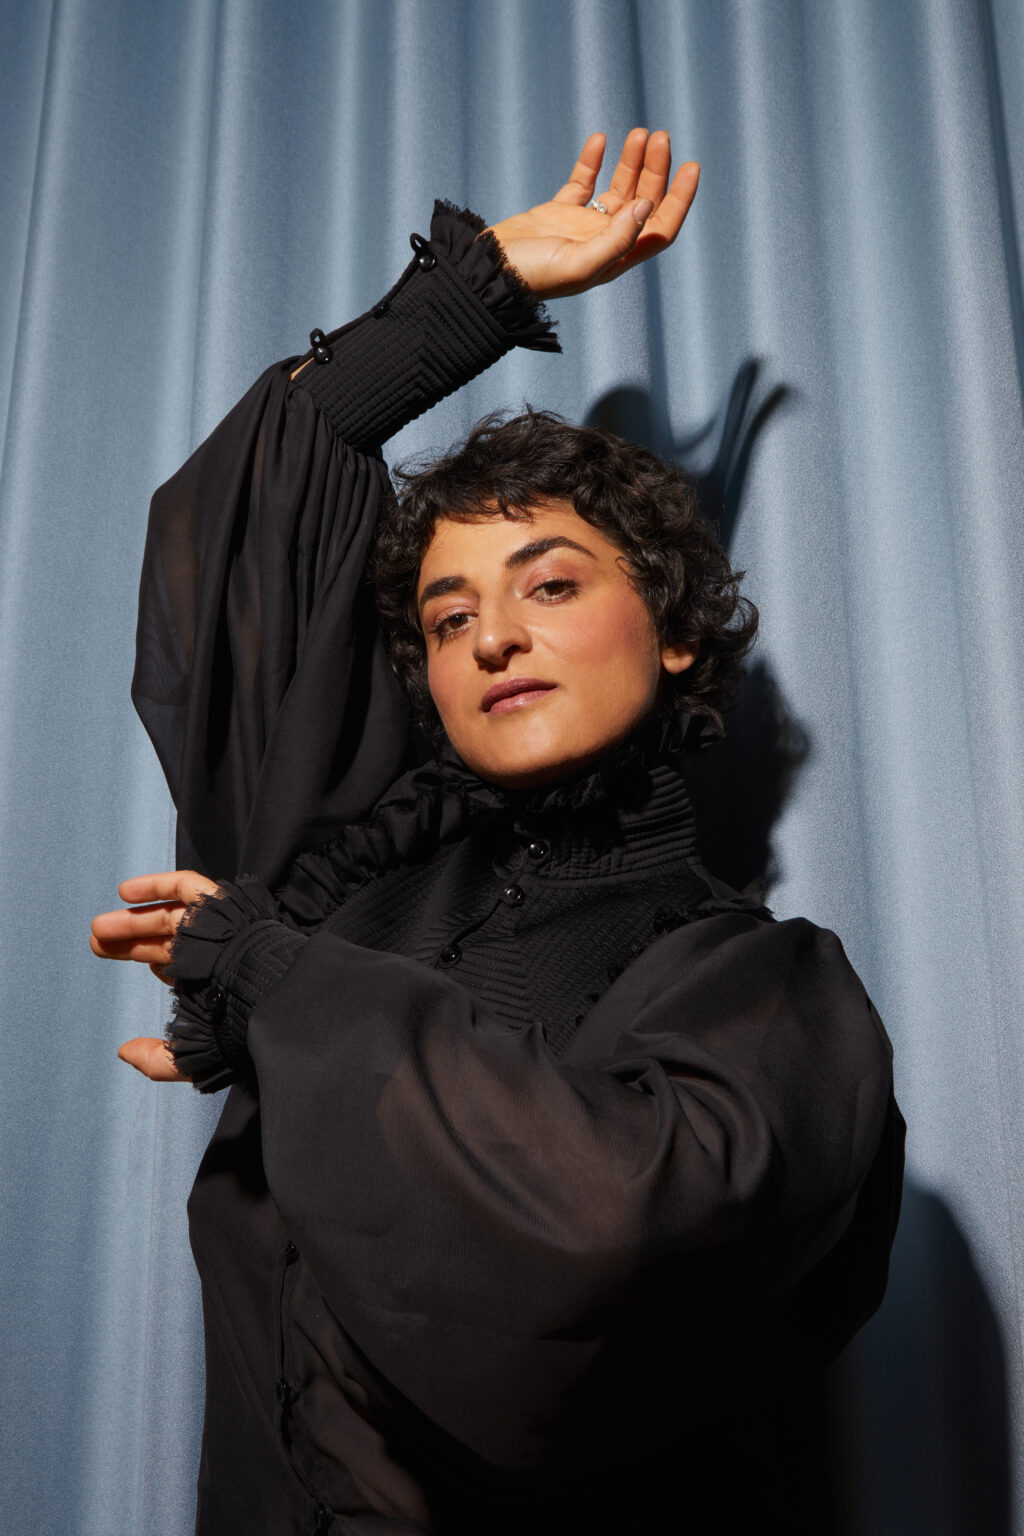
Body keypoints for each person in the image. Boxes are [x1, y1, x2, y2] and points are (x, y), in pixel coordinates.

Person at [91, 131, 905, 1535]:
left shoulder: (763, 990)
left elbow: (598, 1235)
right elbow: (236, 527)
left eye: (551, 585)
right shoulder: (348, 887)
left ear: (678, 644)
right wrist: (468, 301)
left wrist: (279, 988)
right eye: (451, 614)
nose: (495, 636)